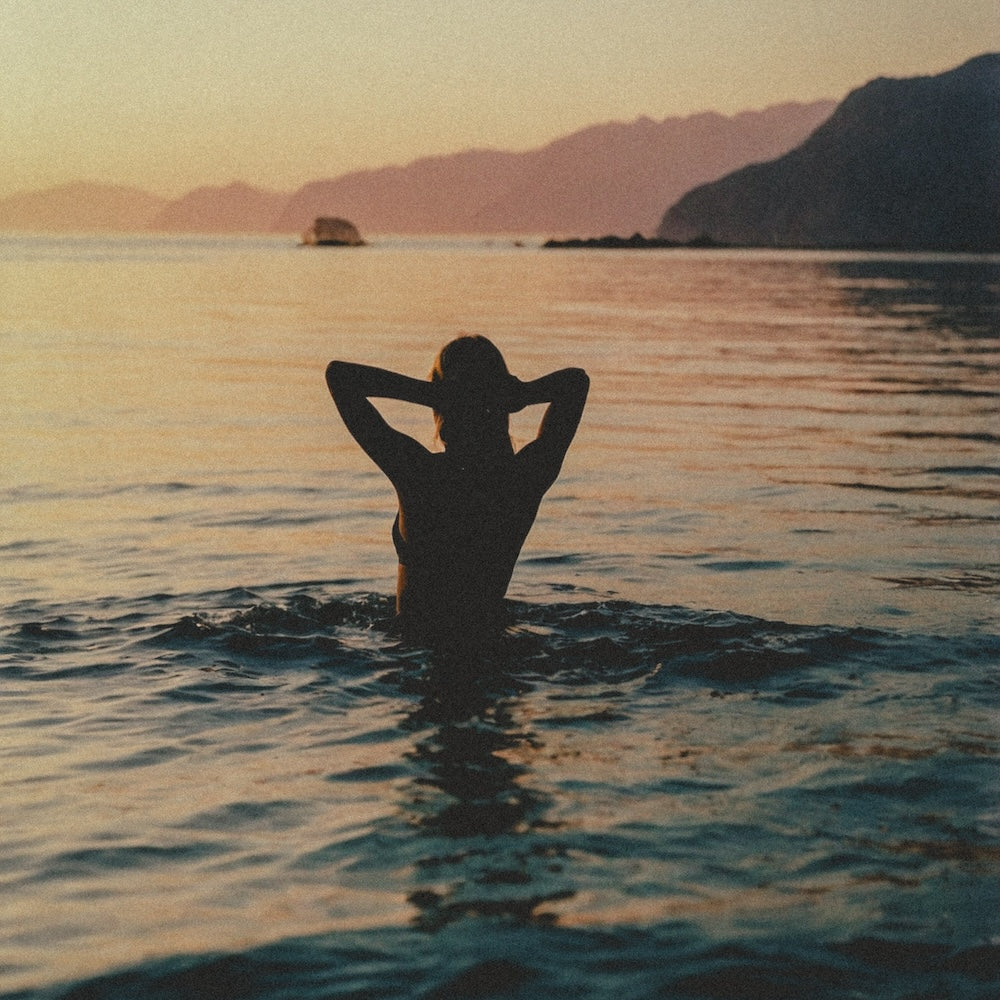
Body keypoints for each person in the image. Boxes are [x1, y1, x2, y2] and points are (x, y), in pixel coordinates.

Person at [325, 335, 589, 646]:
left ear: (441, 403)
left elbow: (339, 377)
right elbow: (576, 383)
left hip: (417, 646)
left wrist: (430, 394)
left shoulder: (418, 476)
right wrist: (518, 393)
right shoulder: (521, 481)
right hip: (491, 645)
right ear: (502, 402)